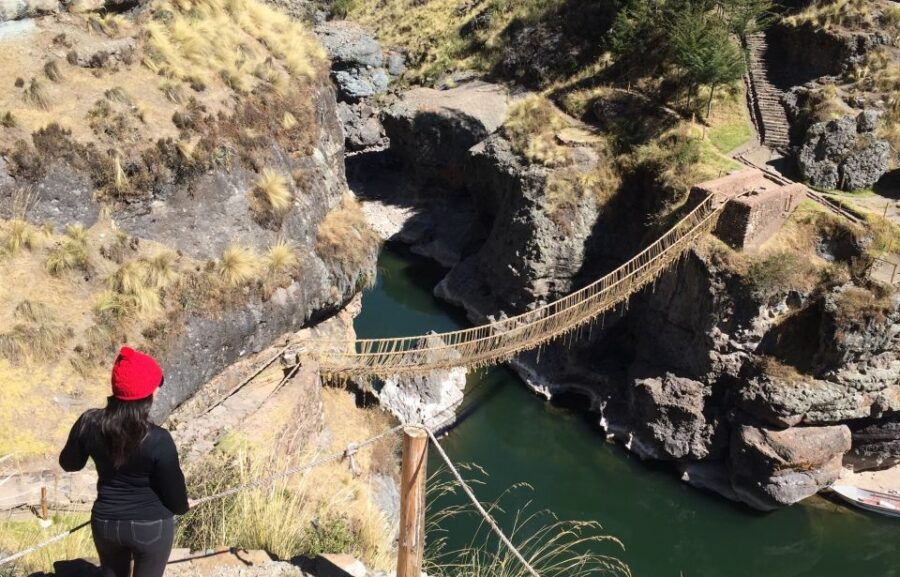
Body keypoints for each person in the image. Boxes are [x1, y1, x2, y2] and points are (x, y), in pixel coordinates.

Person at [60, 346, 190, 577]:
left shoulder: (89, 422)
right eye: (156, 385)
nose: (158, 390)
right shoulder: (159, 439)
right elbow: (178, 504)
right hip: (151, 527)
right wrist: (186, 504)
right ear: (147, 393)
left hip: (106, 523)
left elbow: (70, 463)